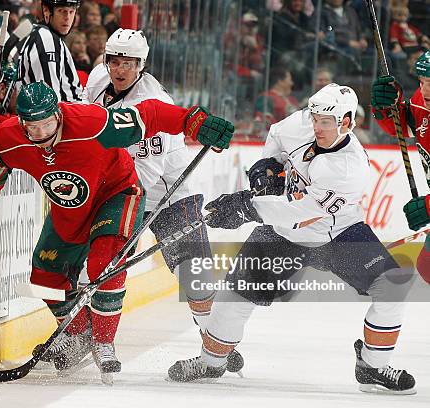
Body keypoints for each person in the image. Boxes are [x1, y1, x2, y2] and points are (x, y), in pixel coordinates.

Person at [0, 81, 234, 380]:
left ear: (58, 113)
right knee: (44, 275)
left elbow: (151, 114)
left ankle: (103, 341)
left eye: (47, 124)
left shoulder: (90, 122)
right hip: (70, 210)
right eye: (33, 128)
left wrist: (193, 122)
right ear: (21, 123)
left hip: (117, 193)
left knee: (103, 263)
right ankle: (79, 334)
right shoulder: (10, 137)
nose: (41, 134)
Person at [168, 83, 417, 395]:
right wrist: (267, 165)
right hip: (282, 235)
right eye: (314, 119)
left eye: (326, 122)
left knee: (392, 287)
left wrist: (247, 207)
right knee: (235, 297)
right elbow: (276, 134)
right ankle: (211, 362)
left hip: (338, 234)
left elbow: (301, 212)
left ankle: (373, 365)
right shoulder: (304, 122)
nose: (316, 127)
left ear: (348, 122)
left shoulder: (349, 169)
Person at [83, 27, 242, 372]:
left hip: (168, 196)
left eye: (128, 62)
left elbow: (146, 175)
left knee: (194, 277)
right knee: (102, 264)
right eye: (114, 60)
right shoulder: (97, 81)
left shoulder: (154, 104)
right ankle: (96, 340)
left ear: (141, 65)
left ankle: (215, 339)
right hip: (118, 189)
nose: (120, 68)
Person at [371, 51, 430, 285]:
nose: (425, 91)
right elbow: (406, 126)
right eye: (423, 81)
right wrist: (388, 108)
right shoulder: (422, 101)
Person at [17, 0, 83, 102]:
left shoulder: (42, 35)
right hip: (64, 115)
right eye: (61, 11)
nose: (67, 18)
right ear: (46, 11)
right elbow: (49, 101)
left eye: (71, 11)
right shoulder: (46, 38)